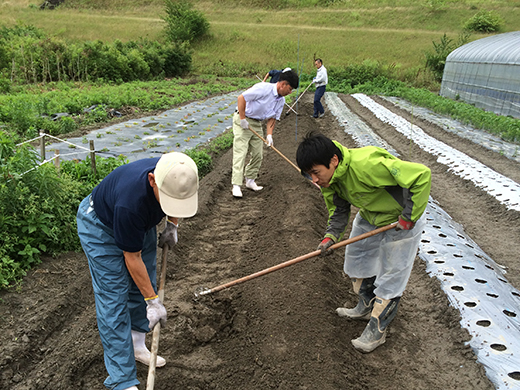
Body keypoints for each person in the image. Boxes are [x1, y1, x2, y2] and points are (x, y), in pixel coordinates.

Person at [296, 133, 431, 353]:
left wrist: (409, 216)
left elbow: (421, 175)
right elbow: (339, 210)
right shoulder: (330, 180)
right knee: (357, 259)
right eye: (309, 175)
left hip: (400, 219)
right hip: (371, 214)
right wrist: (330, 237)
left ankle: (377, 329)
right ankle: (366, 305)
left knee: (393, 273)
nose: (314, 180)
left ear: (334, 161)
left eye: (315, 173)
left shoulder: (367, 164)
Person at [76, 152, 199, 390]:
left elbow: (179, 195)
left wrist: (172, 224)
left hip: (139, 224)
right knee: (114, 298)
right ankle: (121, 380)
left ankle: (136, 345)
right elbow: (131, 258)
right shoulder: (130, 203)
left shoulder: (177, 172)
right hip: (102, 228)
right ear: (153, 180)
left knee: (142, 283)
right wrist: (153, 302)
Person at [231, 69, 299, 198]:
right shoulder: (263, 89)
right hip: (243, 120)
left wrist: (269, 135)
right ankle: (236, 185)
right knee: (241, 152)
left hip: (257, 123)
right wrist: (242, 119)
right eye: (289, 89)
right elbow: (242, 98)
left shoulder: (281, 101)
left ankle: (250, 180)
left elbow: (272, 118)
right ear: (283, 84)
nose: (290, 92)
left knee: (258, 153)